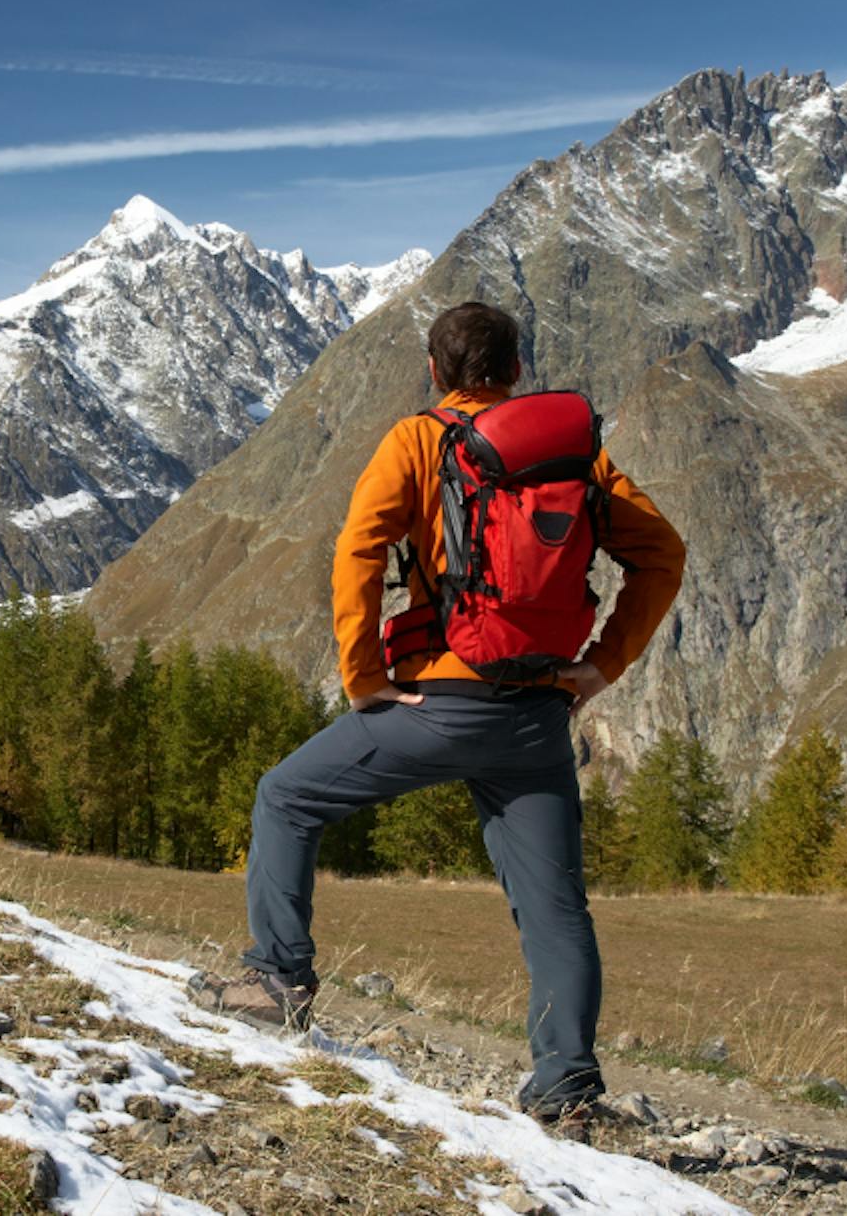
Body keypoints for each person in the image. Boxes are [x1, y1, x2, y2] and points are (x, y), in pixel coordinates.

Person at [195, 301, 685, 1129]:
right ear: (517, 371)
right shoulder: (576, 455)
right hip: (538, 717)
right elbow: (661, 556)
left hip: (439, 700)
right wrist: (600, 668)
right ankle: (566, 1087)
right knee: (556, 907)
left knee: (286, 796)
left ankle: (277, 979)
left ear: (434, 371)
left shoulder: (419, 441)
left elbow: (357, 550)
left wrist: (363, 678)